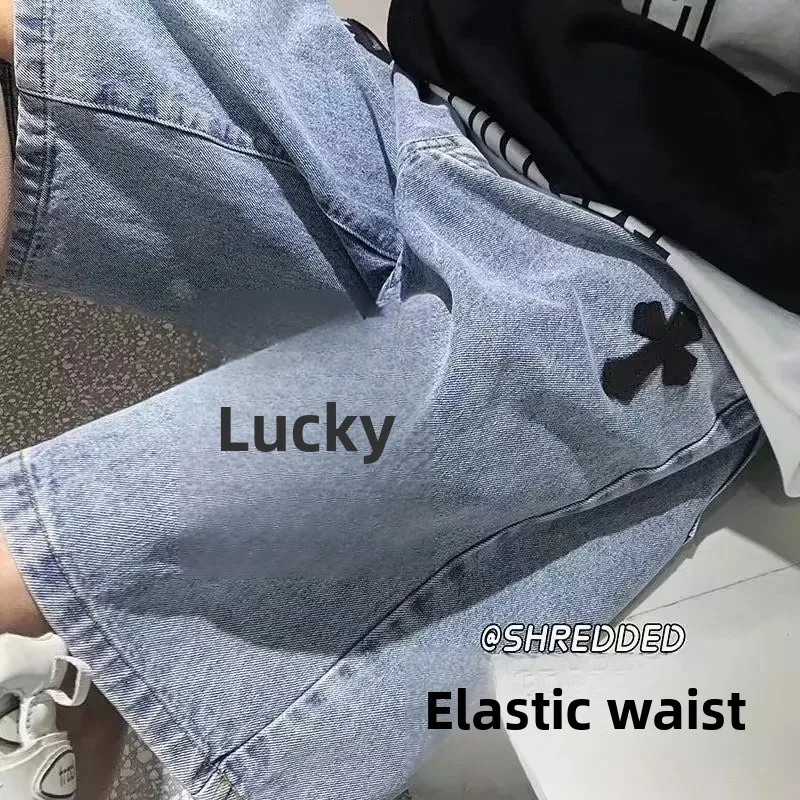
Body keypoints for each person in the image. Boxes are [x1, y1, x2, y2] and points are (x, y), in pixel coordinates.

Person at [0, 0, 759, 798]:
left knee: (473, 382)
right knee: (125, 44)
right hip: (489, 102)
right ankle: (77, 639)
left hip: (708, 274)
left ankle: (51, 612)